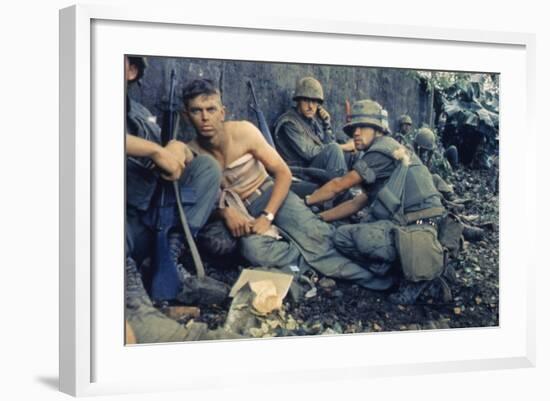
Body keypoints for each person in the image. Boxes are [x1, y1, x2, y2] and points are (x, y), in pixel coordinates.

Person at [182, 78, 392, 291]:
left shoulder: (243, 132)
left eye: (210, 109)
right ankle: (308, 263)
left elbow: (283, 173)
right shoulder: (191, 152)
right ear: (186, 115)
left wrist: (267, 216)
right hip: (242, 212)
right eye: (196, 111)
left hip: (272, 196)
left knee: (318, 239)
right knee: (252, 251)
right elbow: (196, 207)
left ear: (222, 112)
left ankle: (383, 279)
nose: (205, 117)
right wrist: (224, 213)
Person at [125, 56, 228, 343]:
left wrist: (178, 149)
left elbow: (170, 157)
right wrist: (154, 152)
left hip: (148, 217)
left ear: (132, 70)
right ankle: (130, 297)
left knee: (207, 168)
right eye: (197, 110)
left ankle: (166, 259)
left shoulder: (141, 116)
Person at [305, 99, 449, 304]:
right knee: (358, 226)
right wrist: (321, 216)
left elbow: (339, 185)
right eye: (354, 128)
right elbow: (357, 202)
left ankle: (407, 275)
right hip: (424, 224)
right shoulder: (390, 150)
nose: (355, 133)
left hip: (417, 228)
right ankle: (405, 264)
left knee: (342, 237)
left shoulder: (381, 151)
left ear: (378, 130)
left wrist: (308, 201)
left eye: (363, 127)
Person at [272, 77, 355, 184]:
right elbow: (310, 153)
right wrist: (345, 147)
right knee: (336, 149)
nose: (311, 106)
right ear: (298, 101)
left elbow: (327, 146)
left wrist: (326, 125)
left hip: (313, 167)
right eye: (306, 100)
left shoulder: (311, 121)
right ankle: (341, 193)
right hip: (300, 173)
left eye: (315, 102)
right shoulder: (288, 123)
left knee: (353, 155)